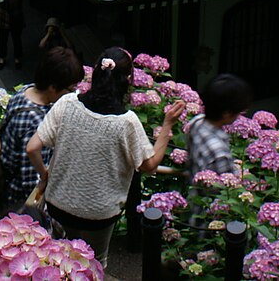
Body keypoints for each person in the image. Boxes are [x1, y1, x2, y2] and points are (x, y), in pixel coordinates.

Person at [26, 47, 185, 266]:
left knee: (57, 261)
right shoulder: (127, 122)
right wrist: (167, 124)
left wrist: (45, 175)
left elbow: (32, 148)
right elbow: (149, 166)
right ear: (127, 80)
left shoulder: (67, 103)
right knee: (93, 265)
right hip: (99, 215)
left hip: (58, 204)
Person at [0, 47, 84, 215]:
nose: (74, 93)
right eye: (71, 89)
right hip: (18, 199)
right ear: (53, 87)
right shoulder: (35, 122)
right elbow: (30, 179)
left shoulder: (25, 91)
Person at [186, 73, 253, 180]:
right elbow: (223, 190)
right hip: (206, 196)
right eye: (239, 111)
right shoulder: (219, 153)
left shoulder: (196, 122)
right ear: (226, 113)